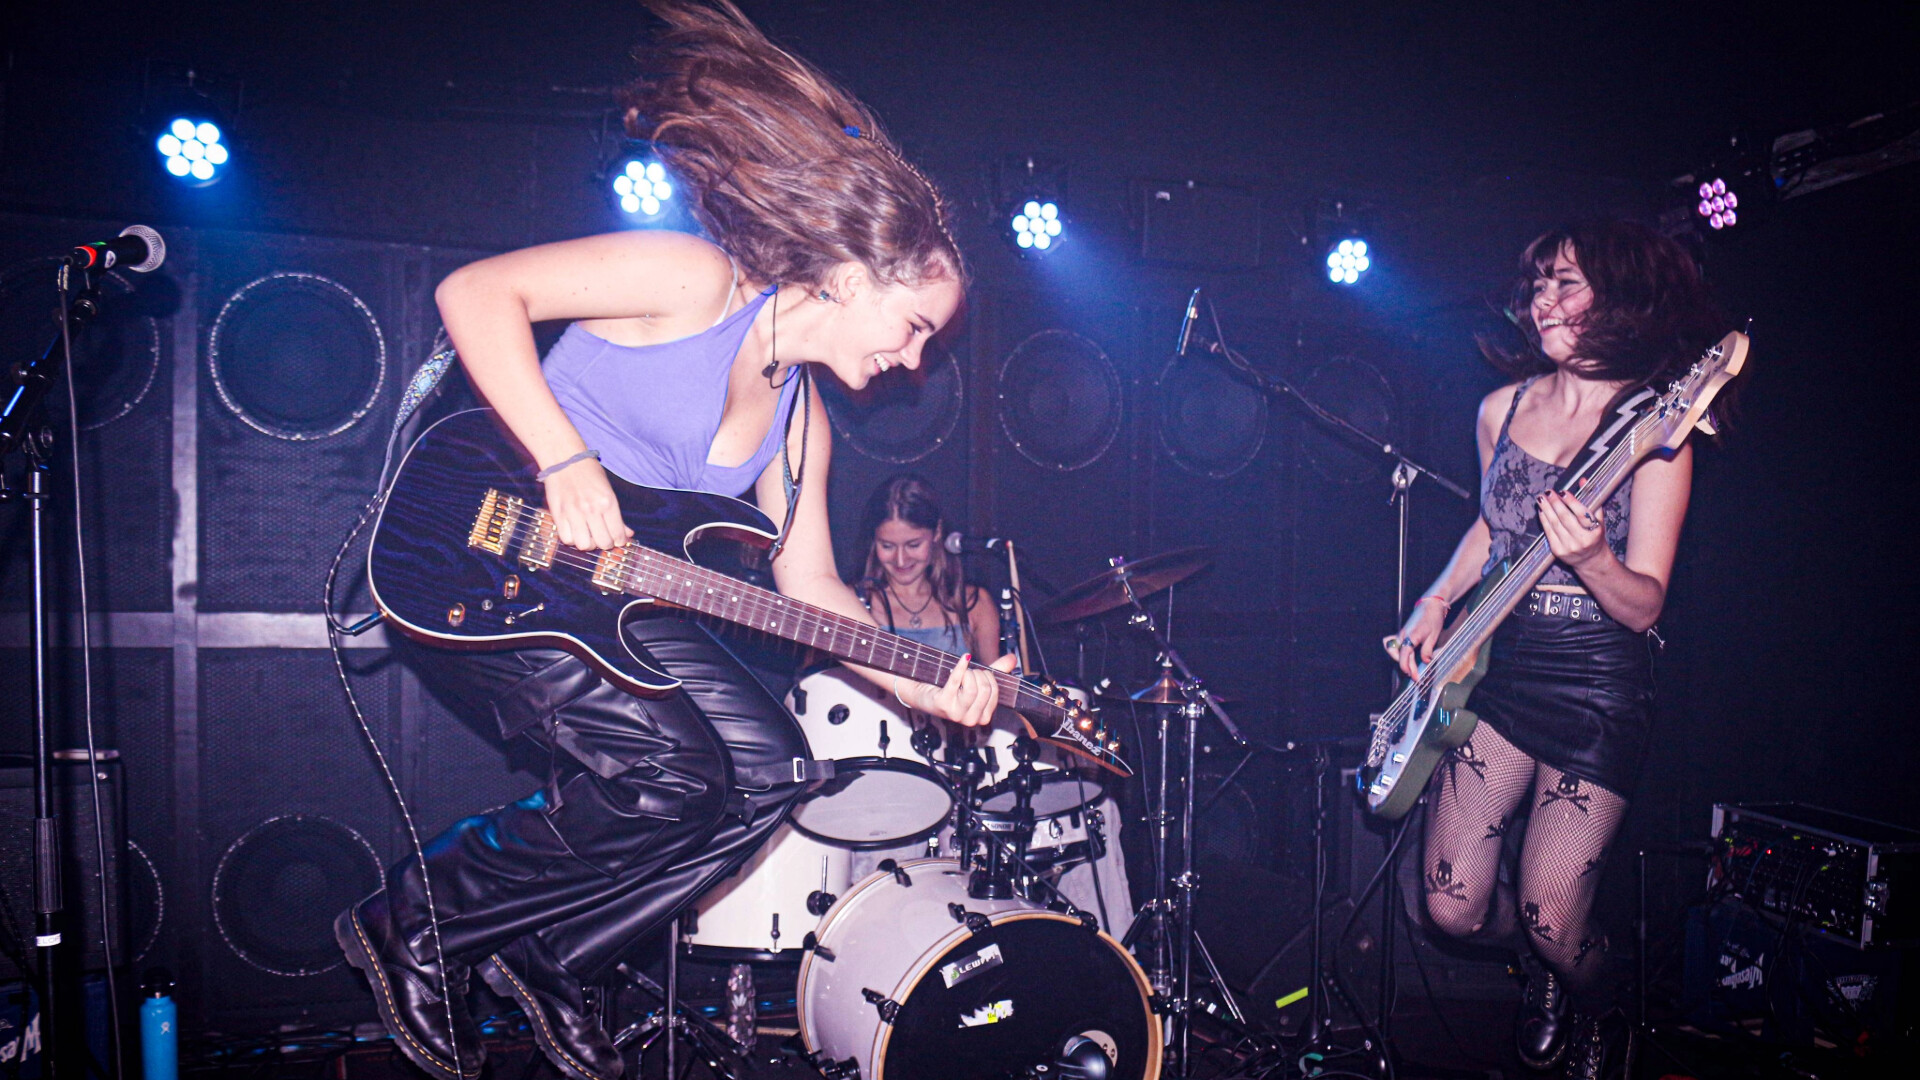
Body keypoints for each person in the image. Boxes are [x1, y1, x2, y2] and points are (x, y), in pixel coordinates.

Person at [332, 5, 1013, 1080]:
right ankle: (414, 918)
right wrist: (565, 460)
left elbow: (816, 592)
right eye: (916, 325)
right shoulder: (695, 280)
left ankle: (557, 957)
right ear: (854, 275)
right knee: (672, 772)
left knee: (773, 772)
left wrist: (928, 685)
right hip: (491, 553)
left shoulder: (803, 425)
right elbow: (477, 293)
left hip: (619, 603)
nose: (917, 360)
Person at [1383, 221, 1726, 1076]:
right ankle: (1538, 969)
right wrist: (1436, 597)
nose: (1543, 301)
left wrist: (1592, 557)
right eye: (1538, 285)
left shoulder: (1655, 430)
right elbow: (1494, 526)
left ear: (1618, 297)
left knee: (1552, 913)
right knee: (1451, 906)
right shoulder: (1501, 409)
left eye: (1566, 283)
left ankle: (1601, 1002)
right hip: (1505, 665)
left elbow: (1645, 604)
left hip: (1600, 681)